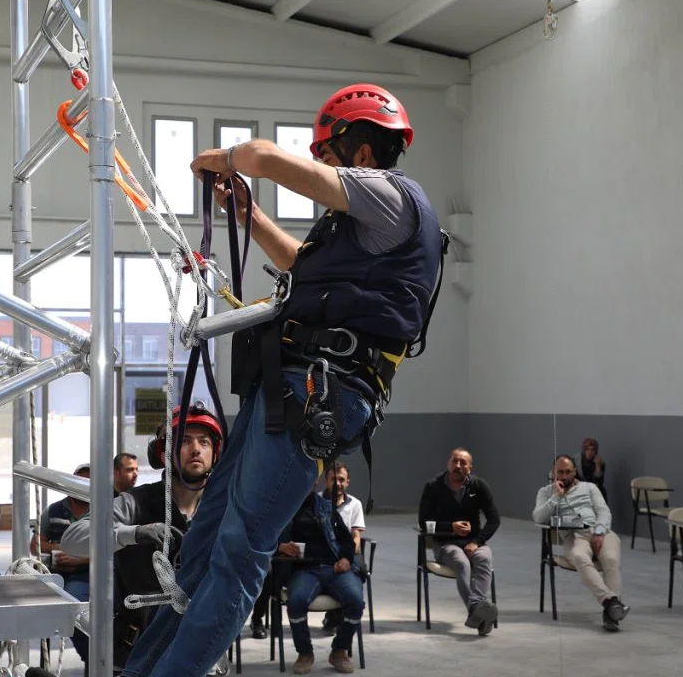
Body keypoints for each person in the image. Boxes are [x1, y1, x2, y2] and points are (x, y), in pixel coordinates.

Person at [120, 83, 445, 677]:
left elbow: (266, 158)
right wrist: (247, 216)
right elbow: (303, 266)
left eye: (329, 155)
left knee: (240, 550)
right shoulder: (358, 232)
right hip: (286, 389)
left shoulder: (393, 196)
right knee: (204, 543)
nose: (324, 168)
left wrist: (225, 159)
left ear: (362, 152)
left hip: (318, 391)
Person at [61, 405, 221, 670]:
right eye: (184, 441)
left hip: (199, 647)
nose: (195, 449)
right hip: (135, 650)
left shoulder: (223, 509)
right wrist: (133, 533)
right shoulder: (135, 502)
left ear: (215, 454)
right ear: (164, 454)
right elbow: (72, 539)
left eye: (204, 442)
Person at [533, 454, 629, 632]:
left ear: (575, 471)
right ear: (553, 473)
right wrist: (556, 497)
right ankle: (611, 603)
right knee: (578, 556)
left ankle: (610, 615)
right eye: (560, 472)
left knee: (611, 560)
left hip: (600, 532)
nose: (564, 476)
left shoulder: (589, 487)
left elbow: (604, 512)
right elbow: (538, 518)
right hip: (574, 536)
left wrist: (599, 532)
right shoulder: (545, 492)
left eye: (568, 472)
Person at [279, 490, 365, 674]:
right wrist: (280, 546)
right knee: (296, 601)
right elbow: (265, 539)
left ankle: (339, 651)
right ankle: (305, 653)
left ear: (315, 482)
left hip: (335, 567)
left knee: (356, 601)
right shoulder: (282, 507)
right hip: (304, 570)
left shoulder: (327, 508)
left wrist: (346, 559)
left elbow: (347, 541)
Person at [417, 448, 500, 634]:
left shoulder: (478, 486)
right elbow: (423, 522)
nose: (458, 465)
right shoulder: (433, 487)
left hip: (474, 542)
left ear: (470, 468)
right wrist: (450, 527)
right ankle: (479, 613)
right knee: (462, 563)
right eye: (455, 461)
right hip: (445, 544)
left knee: (484, 558)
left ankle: (476, 612)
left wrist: (477, 541)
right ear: (448, 464)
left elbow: (494, 519)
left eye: (463, 463)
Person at [34, 464, 92, 661]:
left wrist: (80, 558)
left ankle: (91, 656)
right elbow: (36, 544)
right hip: (56, 570)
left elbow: (111, 549)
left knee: (75, 604)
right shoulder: (53, 510)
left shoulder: (103, 510)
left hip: (86, 572)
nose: (83, 486)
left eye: (88, 482)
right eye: (79, 481)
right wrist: (60, 548)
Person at [319, 464, 364, 635]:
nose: (337, 483)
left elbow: (356, 536)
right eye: (333, 479)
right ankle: (334, 614)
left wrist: (349, 554)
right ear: (326, 481)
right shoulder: (317, 501)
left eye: (341, 479)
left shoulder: (355, 504)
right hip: (324, 553)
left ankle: (337, 614)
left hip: (347, 551)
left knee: (357, 572)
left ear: (347, 482)